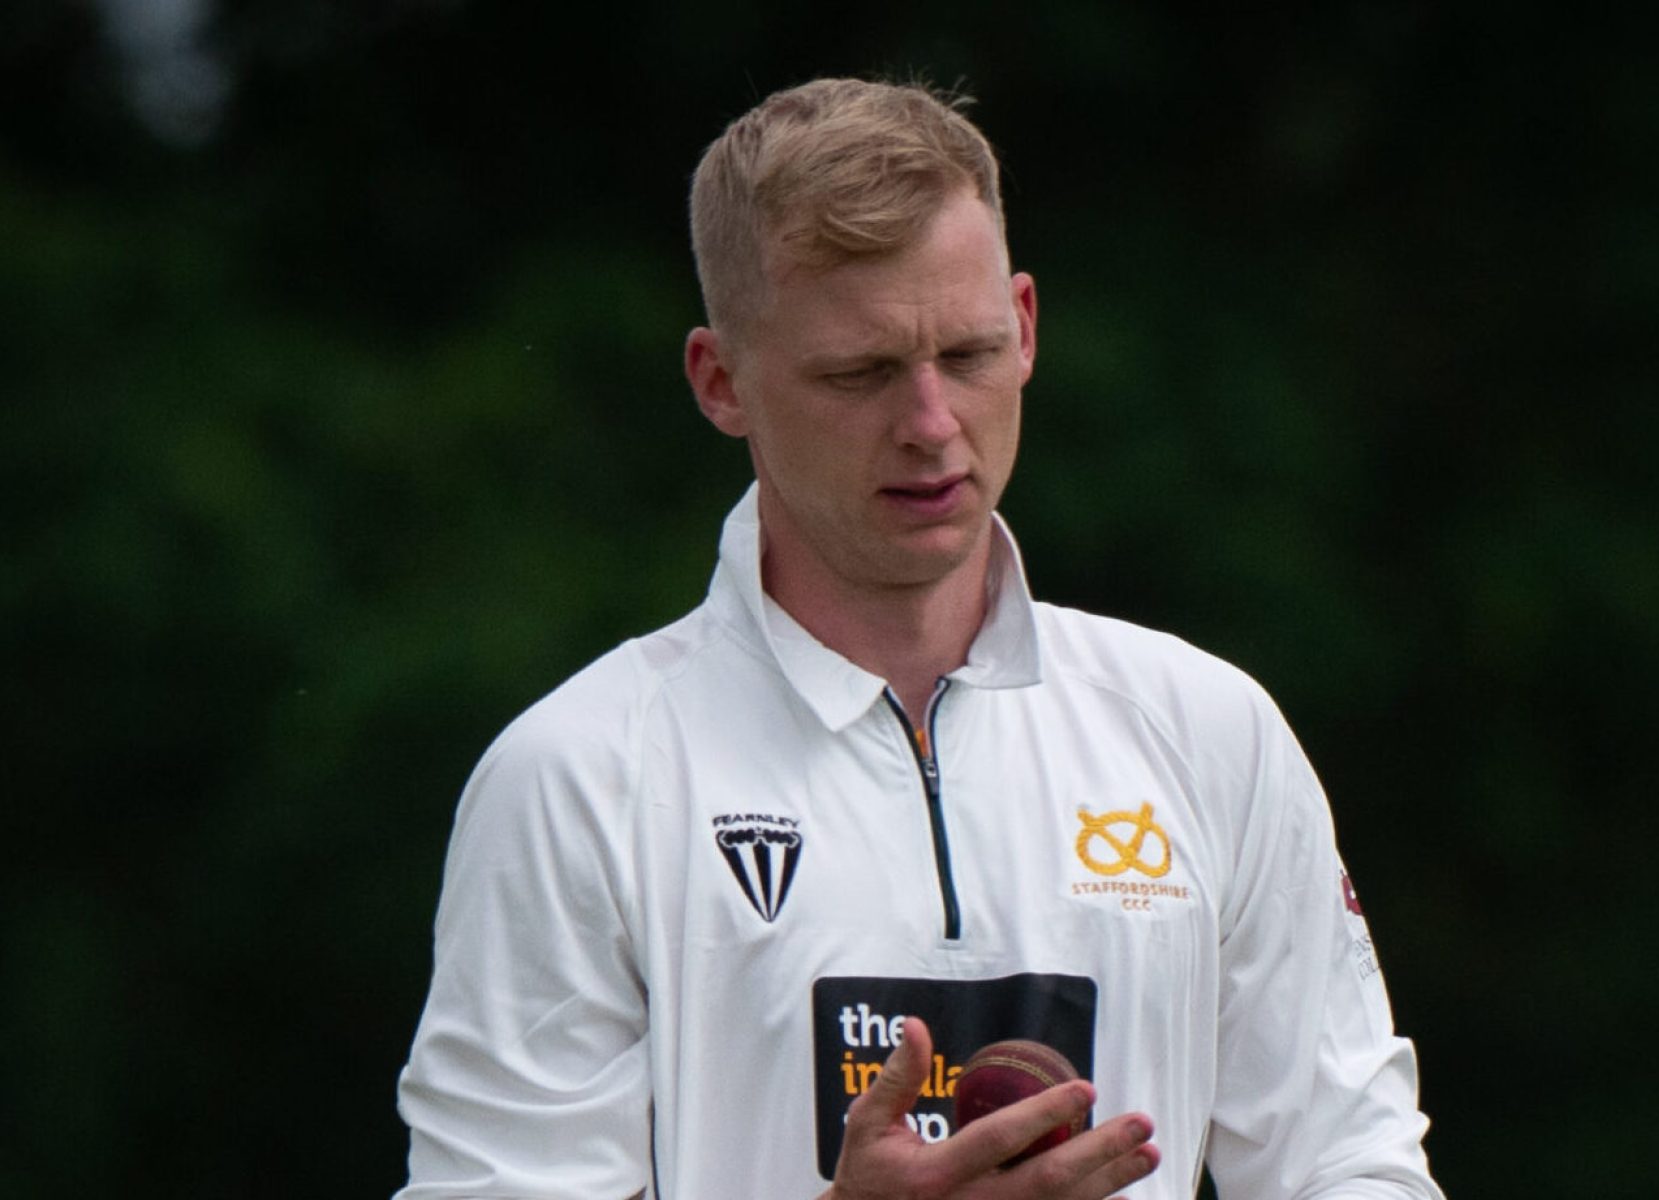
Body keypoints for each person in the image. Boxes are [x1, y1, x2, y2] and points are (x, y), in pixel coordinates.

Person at [394, 77, 1445, 1200]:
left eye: (972, 355)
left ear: (1029, 327)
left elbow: (1350, 1165)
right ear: (720, 382)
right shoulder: (579, 780)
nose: (933, 425)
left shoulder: (1207, 731)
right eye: (862, 373)